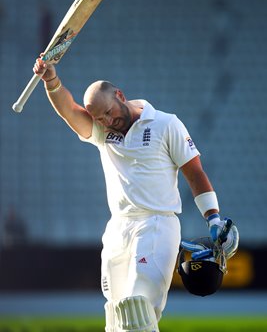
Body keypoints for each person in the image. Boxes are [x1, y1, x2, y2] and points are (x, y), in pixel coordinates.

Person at [33, 56, 239, 332]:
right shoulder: (101, 131)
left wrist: (213, 218)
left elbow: (194, 172)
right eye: (99, 118)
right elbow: (69, 110)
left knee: (137, 308)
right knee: (116, 316)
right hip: (118, 227)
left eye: (108, 112)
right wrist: (51, 81)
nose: (107, 121)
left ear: (120, 95)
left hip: (156, 224)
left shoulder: (166, 124)